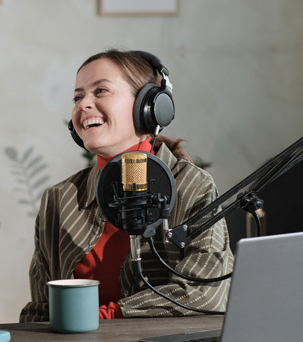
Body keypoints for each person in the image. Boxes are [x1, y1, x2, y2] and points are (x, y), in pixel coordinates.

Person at [20, 49, 233, 322]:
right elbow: (41, 309)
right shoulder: (59, 199)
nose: (83, 104)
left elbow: (206, 292)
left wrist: (108, 316)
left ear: (149, 107)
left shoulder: (192, 186)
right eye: (77, 96)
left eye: (100, 91)